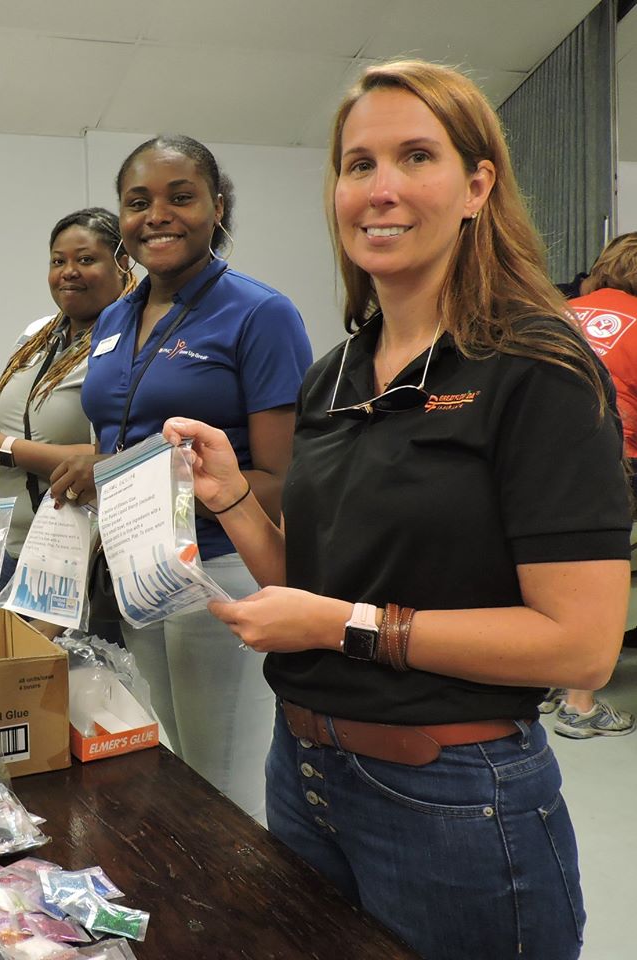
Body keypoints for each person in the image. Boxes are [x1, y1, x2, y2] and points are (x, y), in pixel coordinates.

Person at [161, 61, 631, 960]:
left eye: (415, 156)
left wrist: (345, 623)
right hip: (303, 773)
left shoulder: (538, 367)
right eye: (357, 164)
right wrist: (232, 499)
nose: (380, 190)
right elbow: (317, 586)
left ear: (477, 185)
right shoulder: (334, 375)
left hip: (454, 795)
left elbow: (580, 645)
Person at [49, 136, 312, 823]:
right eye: (138, 202)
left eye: (181, 197)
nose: (156, 215)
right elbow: (116, 438)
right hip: (139, 568)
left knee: (223, 779)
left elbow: (285, 480)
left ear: (216, 208)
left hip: (218, 571)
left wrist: (140, 479)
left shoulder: (259, 314)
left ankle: (246, 926)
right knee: (169, 760)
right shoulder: (113, 318)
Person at [0, 208, 135, 592]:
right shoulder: (38, 333)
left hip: (70, 551)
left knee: (64, 654)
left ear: (122, 262)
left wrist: (4, 451)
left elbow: (114, 456)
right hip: (0, 542)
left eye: (85, 259)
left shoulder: (133, 343)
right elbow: (5, 420)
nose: (68, 271)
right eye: (58, 261)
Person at [541, 233, 637, 738]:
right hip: (611, 456)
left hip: (538, 454)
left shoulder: (564, 311)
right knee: (605, 569)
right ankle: (581, 704)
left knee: (549, 567)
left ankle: (548, 679)